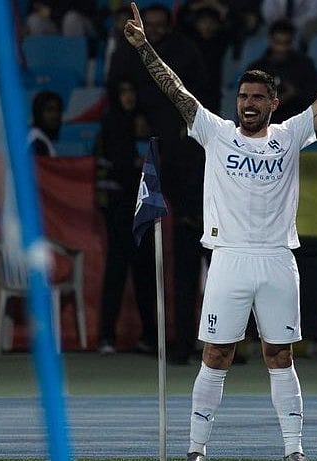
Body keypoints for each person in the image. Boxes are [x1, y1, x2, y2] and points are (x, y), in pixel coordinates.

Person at [120, 3, 317, 459]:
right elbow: (175, 91)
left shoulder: (290, 135)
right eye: (243, 97)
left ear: (273, 102)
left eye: (257, 98)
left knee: (280, 357)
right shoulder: (215, 132)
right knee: (215, 357)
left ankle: (294, 449)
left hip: (276, 259)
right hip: (228, 258)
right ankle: (195, 450)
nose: (248, 104)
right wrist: (145, 48)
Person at [108, 3, 213, 366]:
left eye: (158, 25)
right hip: (144, 158)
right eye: (147, 26)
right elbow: (117, 90)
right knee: (141, 252)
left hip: (185, 158)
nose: (153, 29)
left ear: (168, 25)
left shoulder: (186, 51)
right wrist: (132, 115)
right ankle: (159, 339)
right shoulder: (125, 52)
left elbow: (199, 94)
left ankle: (201, 341)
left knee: (191, 253)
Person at [94, 78, 158, 354]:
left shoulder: (148, 123)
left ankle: (150, 337)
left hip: (140, 210)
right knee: (116, 273)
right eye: (124, 91)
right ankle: (106, 337)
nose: (129, 97)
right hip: (119, 211)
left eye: (132, 90)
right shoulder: (111, 124)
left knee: (145, 276)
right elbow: (118, 167)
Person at [246, 19, 317, 124]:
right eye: (278, 42)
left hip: (297, 125)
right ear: (270, 40)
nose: (281, 48)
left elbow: (315, 99)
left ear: (292, 42)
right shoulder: (256, 69)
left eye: (286, 43)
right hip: (264, 127)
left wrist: (294, 94)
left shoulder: (304, 65)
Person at [27, 90, 63, 156]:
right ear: (38, 114)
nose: (55, 115)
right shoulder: (37, 143)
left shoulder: (41, 138)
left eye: (58, 110)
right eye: (49, 110)